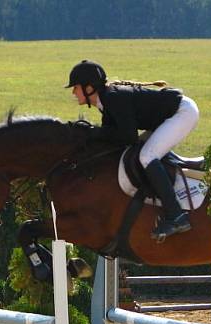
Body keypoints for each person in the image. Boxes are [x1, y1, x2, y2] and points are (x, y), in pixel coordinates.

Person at [65, 59, 196, 242]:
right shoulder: (106, 102)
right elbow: (111, 138)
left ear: (89, 88)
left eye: (76, 87)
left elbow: (127, 137)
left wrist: (91, 132)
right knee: (143, 154)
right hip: (169, 115)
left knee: (147, 156)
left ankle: (176, 216)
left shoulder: (113, 98)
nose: (73, 92)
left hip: (182, 113)